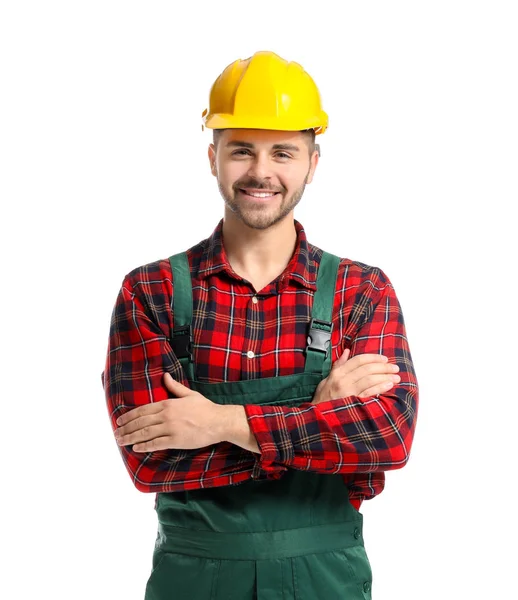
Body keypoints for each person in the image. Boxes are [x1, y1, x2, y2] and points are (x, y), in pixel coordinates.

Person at [102, 50, 419, 600]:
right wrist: (318, 417)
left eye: (283, 152)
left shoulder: (360, 291)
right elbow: (149, 463)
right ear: (212, 157)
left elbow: (386, 438)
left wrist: (220, 422)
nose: (260, 171)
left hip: (326, 580)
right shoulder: (149, 292)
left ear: (312, 163)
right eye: (241, 150)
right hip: (194, 579)